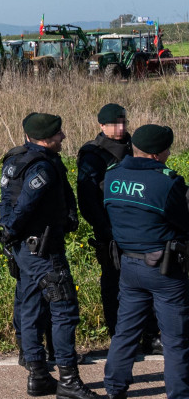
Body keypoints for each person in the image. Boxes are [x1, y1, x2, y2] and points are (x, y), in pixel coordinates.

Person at [0, 112, 105, 399]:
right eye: (58, 134)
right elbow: (24, 206)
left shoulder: (16, 158)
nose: (63, 137)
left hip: (24, 251)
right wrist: (11, 230)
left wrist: (10, 236)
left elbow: (5, 201)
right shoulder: (41, 168)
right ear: (45, 138)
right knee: (64, 309)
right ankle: (69, 381)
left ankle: (38, 374)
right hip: (42, 250)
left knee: (31, 306)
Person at [103, 124, 189, 399]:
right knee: (175, 339)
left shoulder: (113, 176)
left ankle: (115, 393)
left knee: (126, 331)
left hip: (128, 266)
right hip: (165, 270)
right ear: (158, 154)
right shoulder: (167, 182)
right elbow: (183, 222)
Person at [76, 103, 134, 338]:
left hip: (138, 227)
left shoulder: (135, 146)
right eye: (114, 124)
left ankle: (149, 334)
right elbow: (87, 199)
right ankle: (117, 332)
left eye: (123, 122)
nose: (120, 128)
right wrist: (104, 229)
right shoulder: (93, 154)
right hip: (110, 229)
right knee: (114, 283)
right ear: (102, 125)